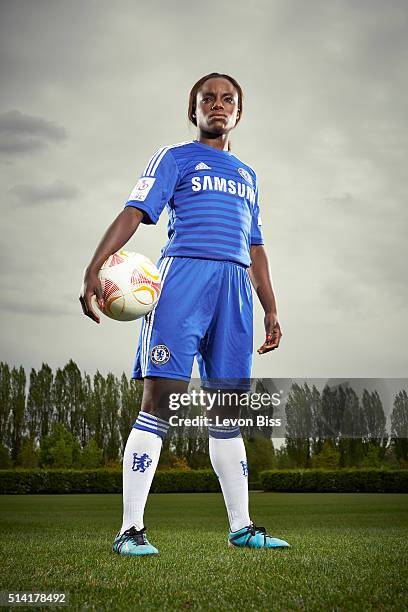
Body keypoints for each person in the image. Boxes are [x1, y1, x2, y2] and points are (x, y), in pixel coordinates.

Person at [79, 72, 290, 555]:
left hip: (235, 289)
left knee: (229, 411)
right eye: (207, 99)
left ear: (239, 112)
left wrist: (271, 308)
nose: (218, 105)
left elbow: (255, 246)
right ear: (192, 111)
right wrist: (95, 266)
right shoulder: (173, 158)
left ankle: (242, 527)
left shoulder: (248, 176)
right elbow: (135, 210)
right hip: (183, 281)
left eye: (228, 100)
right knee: (158, 402)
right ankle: (130, 530)